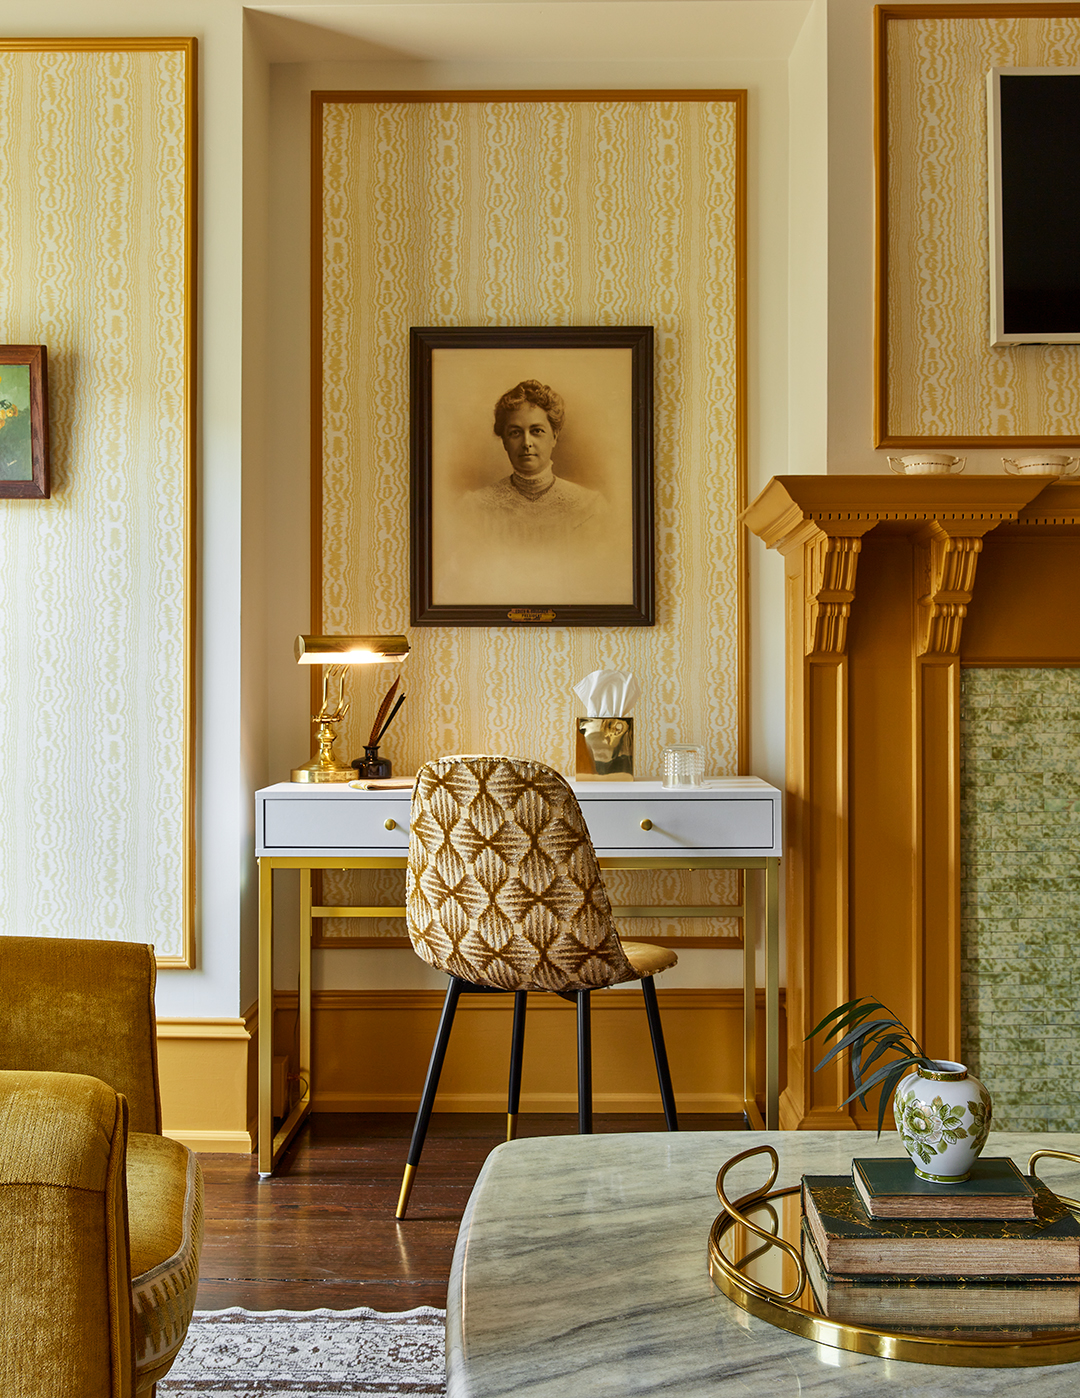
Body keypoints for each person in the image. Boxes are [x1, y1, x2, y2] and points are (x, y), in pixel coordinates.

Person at [458, 379, 608, 545]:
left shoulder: (590, 508)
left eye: (537, 431)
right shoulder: (475, 508)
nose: (526, 443)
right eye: (515, 432)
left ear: (554, 437)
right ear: (505, 442)